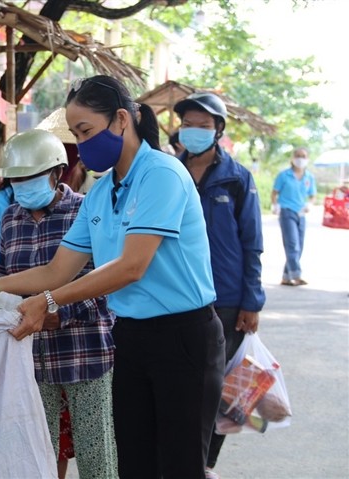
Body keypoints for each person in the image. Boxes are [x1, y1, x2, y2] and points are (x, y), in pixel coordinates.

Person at [0, 75, 225, 479]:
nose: (81, 146)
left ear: (120, 120)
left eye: (86, 132)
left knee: (180, 466)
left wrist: (47, 302)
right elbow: (56, 270)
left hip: (183, 338)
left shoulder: (161, 174)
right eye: (76, 136)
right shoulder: (100, 192)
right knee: (133, 462)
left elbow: (132, 266)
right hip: (129, 337)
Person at [0, 129, 118, 478]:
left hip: (85, 353)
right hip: (30, 361)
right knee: (37, 458)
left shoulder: (86, 211)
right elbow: (7, 281)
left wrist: (57, 314)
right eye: (14, 180)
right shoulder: (9, 219)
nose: (20, 187)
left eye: (28, 178)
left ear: (55, 173)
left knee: (98, 460)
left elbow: (104, 282)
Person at [173, 92, 266, 479]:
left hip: (225, 299)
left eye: (203, 125)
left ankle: (205, 463)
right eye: (188, 124)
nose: (193, 131)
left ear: (218, 131)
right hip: (177, 293)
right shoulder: (168, 172)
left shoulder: (238, 179)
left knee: (218, 386)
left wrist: (252, 301)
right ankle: (181, 458)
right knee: (179, 381)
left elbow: (252, 242)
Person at [271, 147, 316, 286]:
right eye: (298, 155)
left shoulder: (309, 177)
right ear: (292, 158)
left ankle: (285, 277)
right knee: (292, 244)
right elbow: (274, 192)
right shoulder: (284, 175)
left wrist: (310, 204)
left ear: (307, 159)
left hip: (301, 213)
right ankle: (296, 275)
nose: (300, 159)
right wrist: (275, 205)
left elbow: (312, 195)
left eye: (303, 156)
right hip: (286, 211)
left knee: (299, 246)